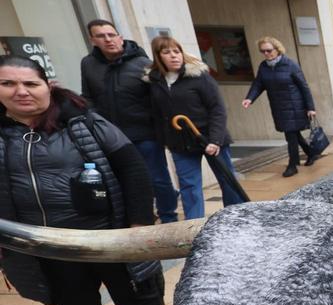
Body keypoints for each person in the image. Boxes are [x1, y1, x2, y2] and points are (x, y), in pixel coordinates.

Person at [0, 55, 167, 305]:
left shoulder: (83, 122)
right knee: (71, 298)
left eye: (30, 83)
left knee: (132, 287)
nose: (21, 91)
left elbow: (132, 168)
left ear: (48, 85)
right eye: (8, 84)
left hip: (105, 231)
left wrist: (138, 223)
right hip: (46, 240)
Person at [80, 19, 178, 223]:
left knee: (157, 179)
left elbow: (161, 99)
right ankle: (140, 218)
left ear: (120, 37)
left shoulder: (142, 63)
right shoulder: (88, 64)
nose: (108, 40)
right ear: (92, 40)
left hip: (145, 135)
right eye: (101, 36)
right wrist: (91, 120)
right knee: (124, 180)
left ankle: (169, 217)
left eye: (111, 35)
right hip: (110, 136)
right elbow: (88, 96)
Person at [145, 36, 243, 219]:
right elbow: (158, 115)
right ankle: (193, 226)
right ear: (158, 57)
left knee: (227, 181)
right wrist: (165, 140)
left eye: (177, 51)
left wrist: (215, 140)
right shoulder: (155, 82)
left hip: (211, 138)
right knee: (189, 186)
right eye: (167, 52)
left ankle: (236, 219)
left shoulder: (199, 77)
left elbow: (218, 109)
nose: (174, 56)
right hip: (181, 144)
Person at [242, 37, 318, 177]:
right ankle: (311, 153)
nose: (266, 54)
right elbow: (258, 84)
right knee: (294, 134)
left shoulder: (290, 64)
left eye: (269, 50)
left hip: (294, 105)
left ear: (278, 49)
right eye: (263, 51)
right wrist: (249, 98)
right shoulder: (263, 67)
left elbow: (304, 87)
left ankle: (293, 165)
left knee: (290, 135)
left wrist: (310, 107)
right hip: (278, 106)